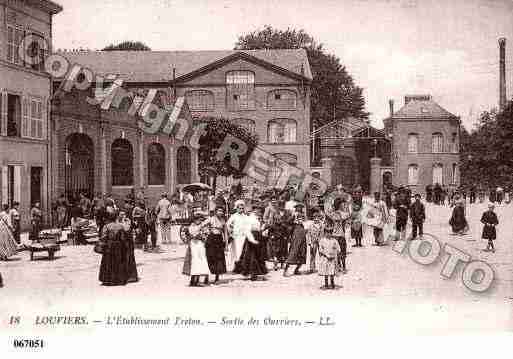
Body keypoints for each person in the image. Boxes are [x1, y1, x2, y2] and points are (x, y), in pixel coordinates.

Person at [236, 206, 268, 281]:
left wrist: (263, 229)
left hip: (257, 236)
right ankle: (252, 274)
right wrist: (252, 240)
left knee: (258, 255)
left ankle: (256, 273)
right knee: (251, 256)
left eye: (259, 210)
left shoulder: (257, 218)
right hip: (252, 237)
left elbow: (258, 229)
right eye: (256, 210)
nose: (258, 212)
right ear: (253, 211)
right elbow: (247, 230)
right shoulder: (250, 218)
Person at [99, 209, 129, 286]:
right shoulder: (120, 226)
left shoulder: (106, 226)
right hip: (118, 245)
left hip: (109, 245)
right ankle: (119, 279)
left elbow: (103, 237)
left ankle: (108, 280)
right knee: (118, 262)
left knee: (108, 262)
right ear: (116, 217)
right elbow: (123, 237)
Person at [182, 214, 210, 287]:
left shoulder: (203, 227)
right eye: (197, 219)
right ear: (194, 220)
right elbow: (186, 236)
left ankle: (200, 279)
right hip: (193, 245)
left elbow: (206, 235)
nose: (198, 221)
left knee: (201, 260)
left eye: (200, 220)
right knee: (194, 261)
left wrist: (202, 236)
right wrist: (190, 237)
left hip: (200, 245)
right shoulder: (190, 226)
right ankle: (193, 280)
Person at [204, 207, 228, 283]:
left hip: (219, 240)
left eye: (222, 211)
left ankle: (217, 277)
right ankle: (206, 277)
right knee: (210, 257)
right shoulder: (211, 219)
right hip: (211, 239)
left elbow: (225, 233)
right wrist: (205, 233)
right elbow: (202, 225)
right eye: (219, 211)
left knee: (219, 258)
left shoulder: (223, 221)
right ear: (215, 212)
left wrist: (226, 244)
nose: (220, 212)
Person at [326, 197, 350, 273]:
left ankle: (339, 266)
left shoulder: (332, 214)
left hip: (335, 234)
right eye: (342, 204)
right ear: (339, 205)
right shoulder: (342, 214)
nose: (343, 205)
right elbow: (347, 216)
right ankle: (343, 266)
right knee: (342, 251)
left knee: (337, 251)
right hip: (340, 234)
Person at [283, 203, 307, 276]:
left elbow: (305, 223)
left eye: (300, 207)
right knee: (294, 250)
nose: (299, 209)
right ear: (296, 208)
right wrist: (293, 221)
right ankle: (285, 270)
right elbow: (287, 222)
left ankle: (297, 269)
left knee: (302, 251)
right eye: (298, 207)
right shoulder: (294, 215)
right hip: (296, 232)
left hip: (302, 232)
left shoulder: (303, 215)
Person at [267, 200, 291, 270]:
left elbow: (289, 223)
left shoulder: (287, 213)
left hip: (284, 234)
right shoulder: (275, 212)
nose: (281, 207)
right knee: (275, 251)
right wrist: (271, 234)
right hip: (276, 234)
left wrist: (287, 234)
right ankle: (275, 265)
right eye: (280, 205)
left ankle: (282, 264)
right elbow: (271, 224)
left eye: (283, 205)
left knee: (284, 250)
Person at [317, 219, 341, 290]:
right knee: (326, 271)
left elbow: (338, 249)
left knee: (332, 271)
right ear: (324, 233)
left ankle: (332, 283)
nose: (329, 234)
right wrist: (325, 254)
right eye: (327, 232)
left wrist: (335, 253)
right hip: (325, 258)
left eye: (330, 232)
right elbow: (320, 249)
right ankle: (326, 284)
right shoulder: (322, 240)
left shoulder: (334, 241)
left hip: (332, 258)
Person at [226, 200, 249, 270]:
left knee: (243, 251)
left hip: (244, 236)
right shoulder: (234, 216)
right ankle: (236, 266)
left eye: (242, 208)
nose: (241, 210)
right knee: (236, 251)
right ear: (237, 208)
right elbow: (227, 225)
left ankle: (242, 266)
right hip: (236, 237)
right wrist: (231, 232)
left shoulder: (245, 216)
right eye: (239, 208)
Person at [118, 211, 138, 283]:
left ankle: (131, 276)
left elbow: (132, 228)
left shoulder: (127, 222)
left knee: (129, 259)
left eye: (124, 215)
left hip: (128, 243)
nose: (123, 216)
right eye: (121, 215)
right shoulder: (118, 222)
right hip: (123, 244)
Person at [306, 208, 324, 274]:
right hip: (313, 242)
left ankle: (322, 268)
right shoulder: (311, 225)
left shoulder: (322, 225)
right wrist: (310, 242)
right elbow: (308, 234)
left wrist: (322, 242)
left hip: (320, 242)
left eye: (317, 217)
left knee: (321, 255)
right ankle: (312, 268)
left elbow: (323, 234)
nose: (316, 219)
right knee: (312, 255)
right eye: (314, 218)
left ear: (319, 218)